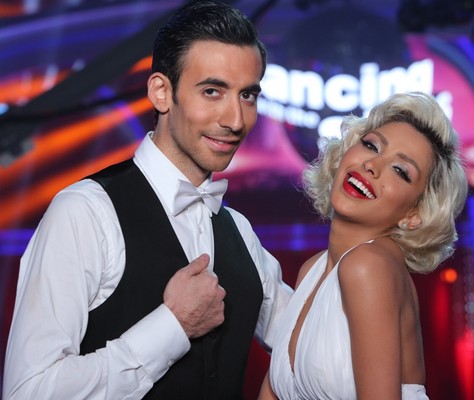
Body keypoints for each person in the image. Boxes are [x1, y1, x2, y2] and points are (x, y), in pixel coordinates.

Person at [3, 1, 292, 399]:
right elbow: (29, 391)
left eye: (247, 95)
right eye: (212, 91)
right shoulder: (85, 212)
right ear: (161, 92)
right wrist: (172, 327)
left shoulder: (240, 232)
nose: (235, 120)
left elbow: (315, 351)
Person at [258, 91, 468, 400]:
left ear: (414, 215)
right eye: (371, 145)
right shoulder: (312, 270)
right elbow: (275, 390)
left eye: (400, 170)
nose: (372, 165)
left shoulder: (369, 265)